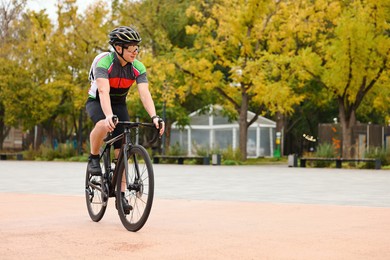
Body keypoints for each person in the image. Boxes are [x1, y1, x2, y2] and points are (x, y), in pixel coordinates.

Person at [86, 26, 164, 182]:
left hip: (120, 104)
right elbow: (103, 91)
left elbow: (144, 93)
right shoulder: (104, 62)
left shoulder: (137, 67)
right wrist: (108, 115)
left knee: (122, 154)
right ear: (118, 48)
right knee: (103, 124)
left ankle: (121, 197)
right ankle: (94, 157)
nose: (135, 52)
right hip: (98, 101)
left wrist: (154, 116)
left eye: (137, 48)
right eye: (131, 49)